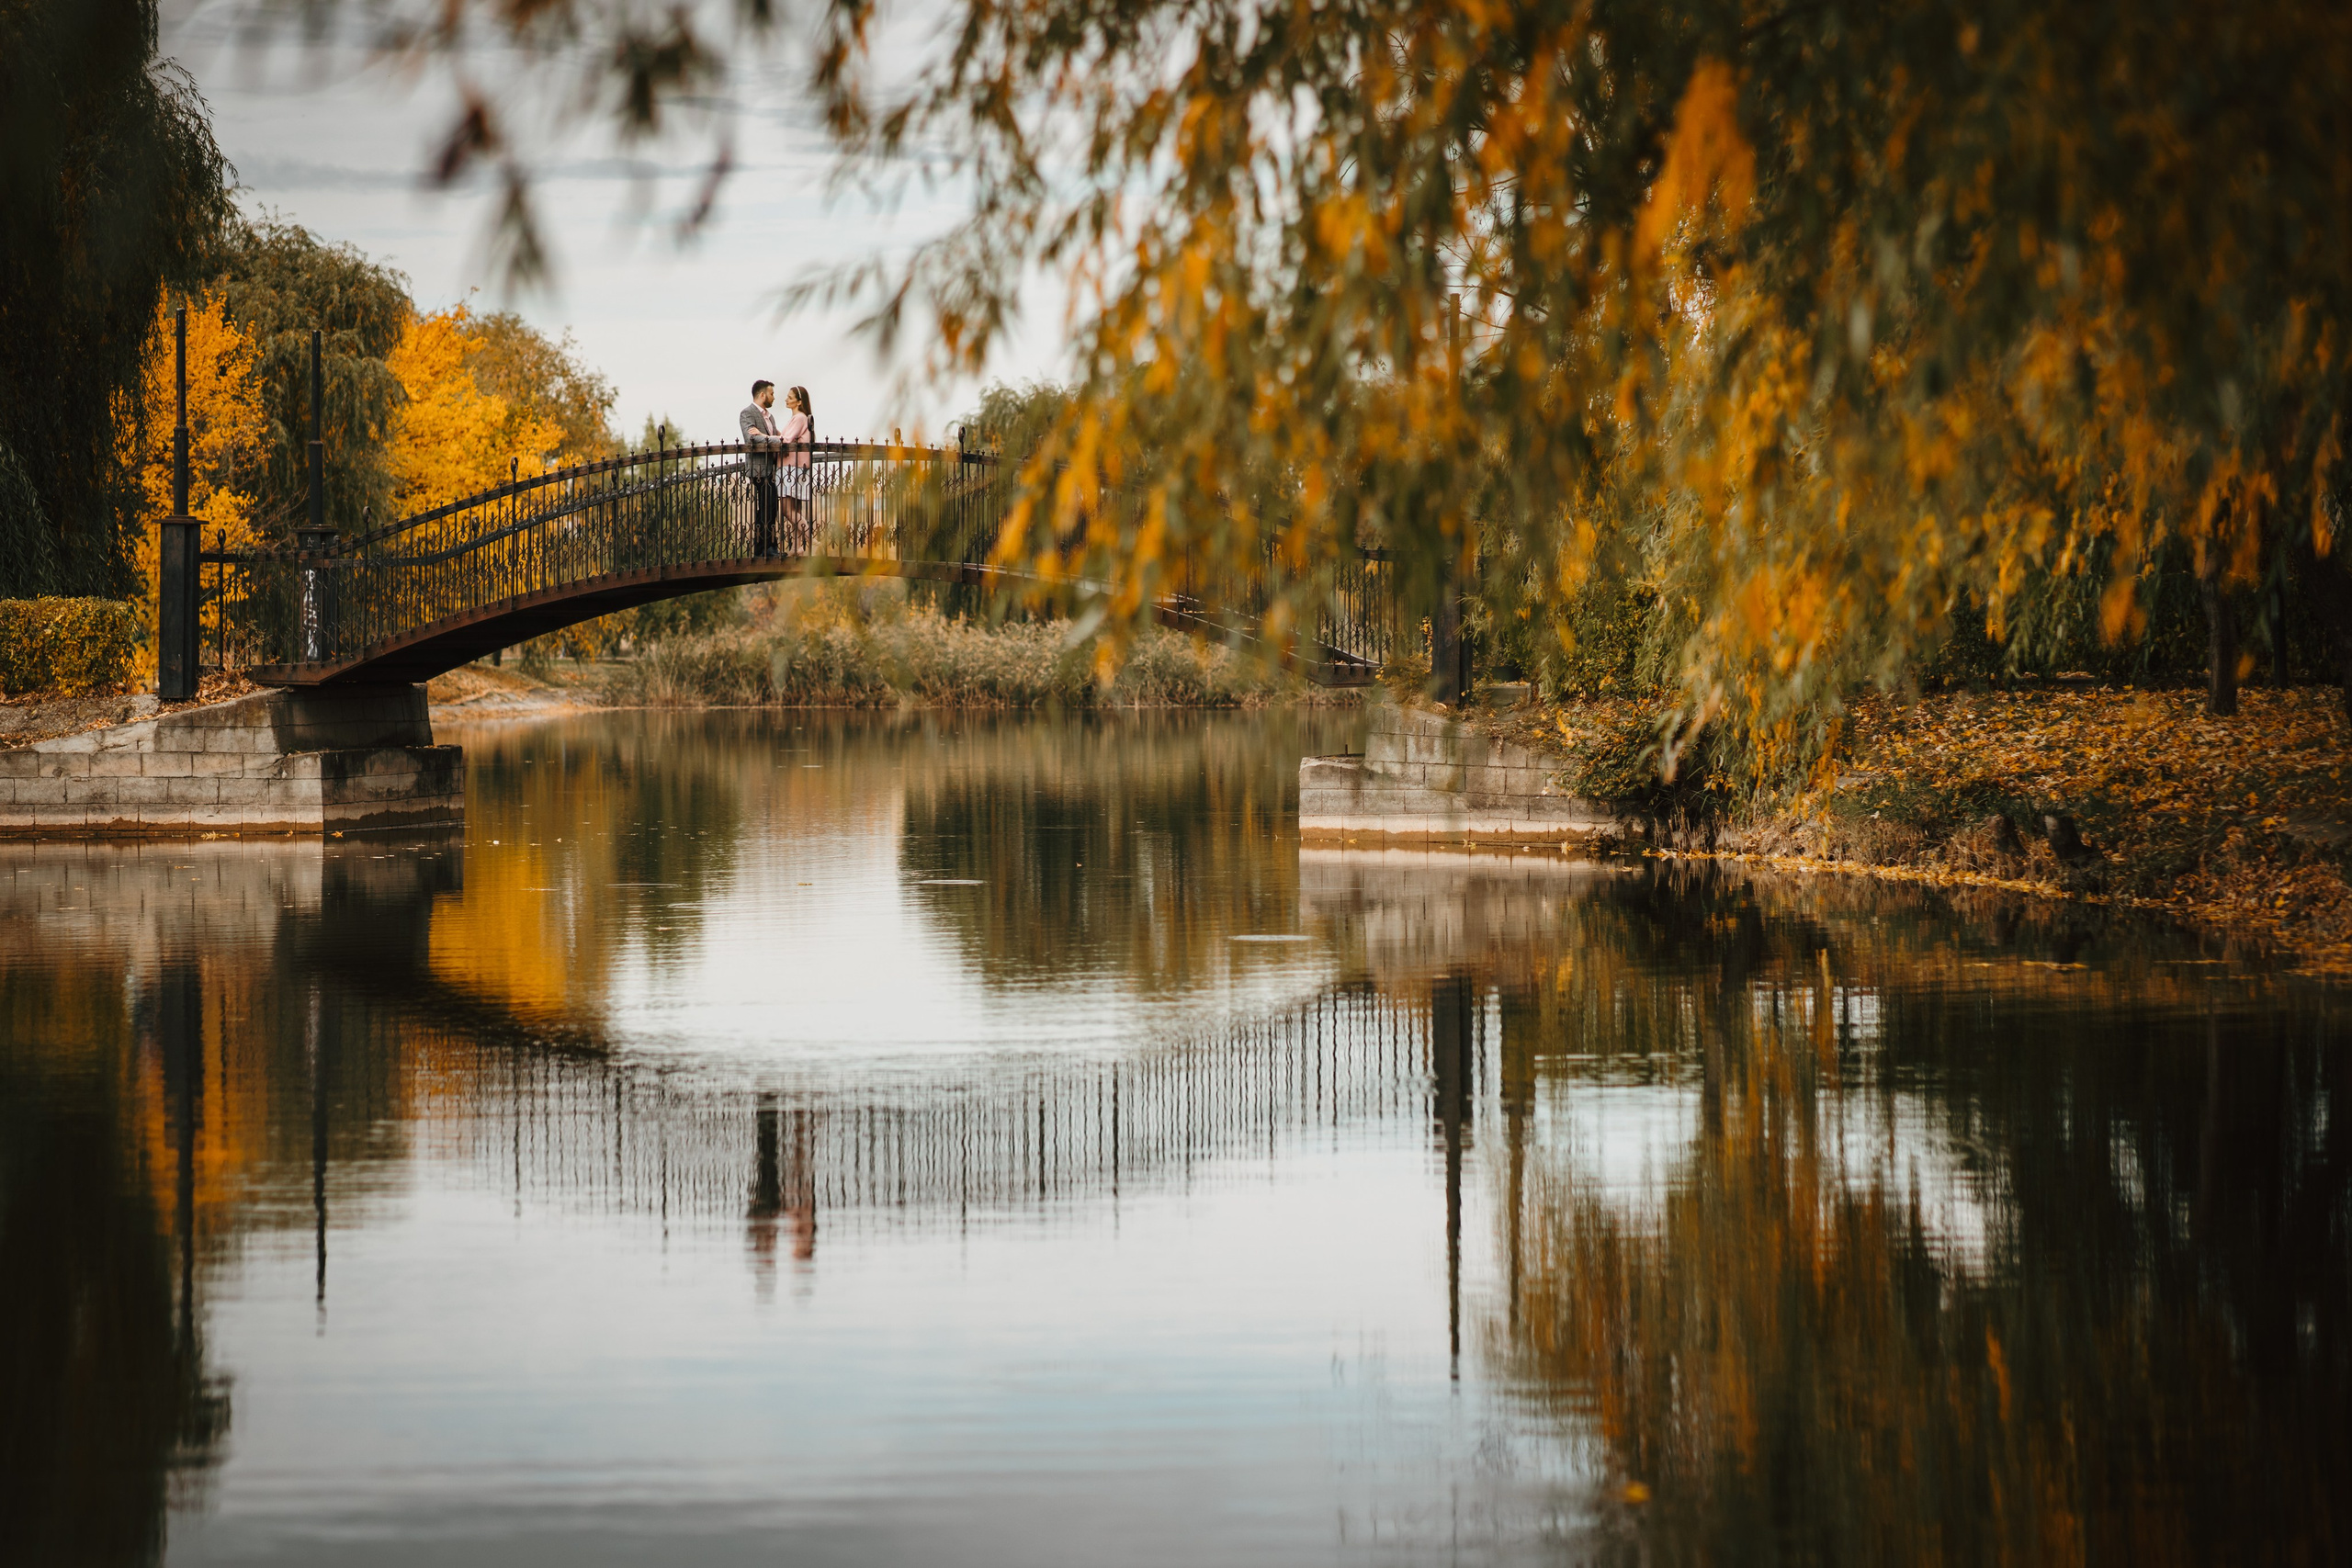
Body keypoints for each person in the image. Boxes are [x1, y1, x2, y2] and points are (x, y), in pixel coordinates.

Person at [739, 379, 783, 556]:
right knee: (767, 506)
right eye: (772, 394)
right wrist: (778, 440)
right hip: (758, 470)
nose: (774, 397)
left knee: (770, 507)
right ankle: (766, 548)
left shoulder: (769, 417)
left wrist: (777, 437)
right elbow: (750, 439)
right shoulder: (747, 413)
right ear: (762, 394)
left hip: (771, 469)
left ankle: (764, 548)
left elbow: (772, 436)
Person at [776, 385, 815, 550]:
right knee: (795, 510)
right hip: (797, 468)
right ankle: (796, 548)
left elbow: (785, 440)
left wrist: (763, 436)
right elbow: (785, 436)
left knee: (786, 510)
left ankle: (813, 542)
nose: (786, 399)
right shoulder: (798, 419)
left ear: (799, 402)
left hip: (791, 469)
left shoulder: (799, 418)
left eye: (790, 397)